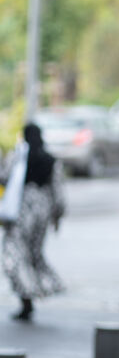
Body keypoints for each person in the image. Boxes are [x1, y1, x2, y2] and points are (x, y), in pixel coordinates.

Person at [2, 123, 65, 321]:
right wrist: (57, 217)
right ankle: (41, 288)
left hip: (21, 212)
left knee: (14, 254)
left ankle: (26, 295)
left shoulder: (18, 156)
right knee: (34, 254)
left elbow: (4, 177)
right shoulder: (51, 160)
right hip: (42, 212)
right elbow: (58, 192)